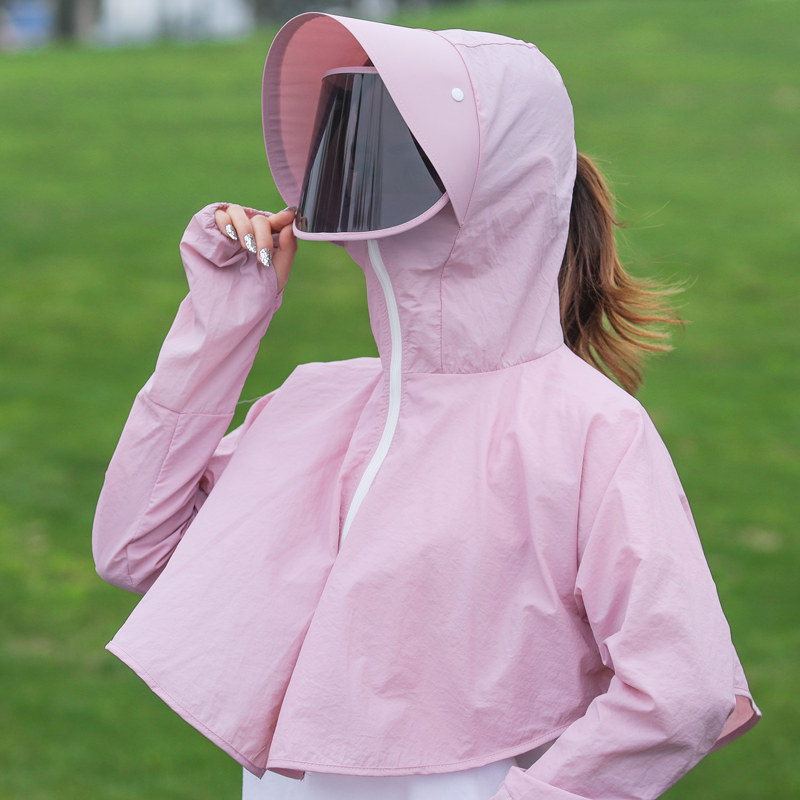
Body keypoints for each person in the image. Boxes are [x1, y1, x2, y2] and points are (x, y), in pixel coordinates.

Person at [92, 12, 760, 800]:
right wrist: (222, 321)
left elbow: (682, 685)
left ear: (496, 184)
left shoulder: (588, 430)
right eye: (348, 130)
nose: (357, 163)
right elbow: (133, 549)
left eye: (393, 141)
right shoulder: (313, 403)